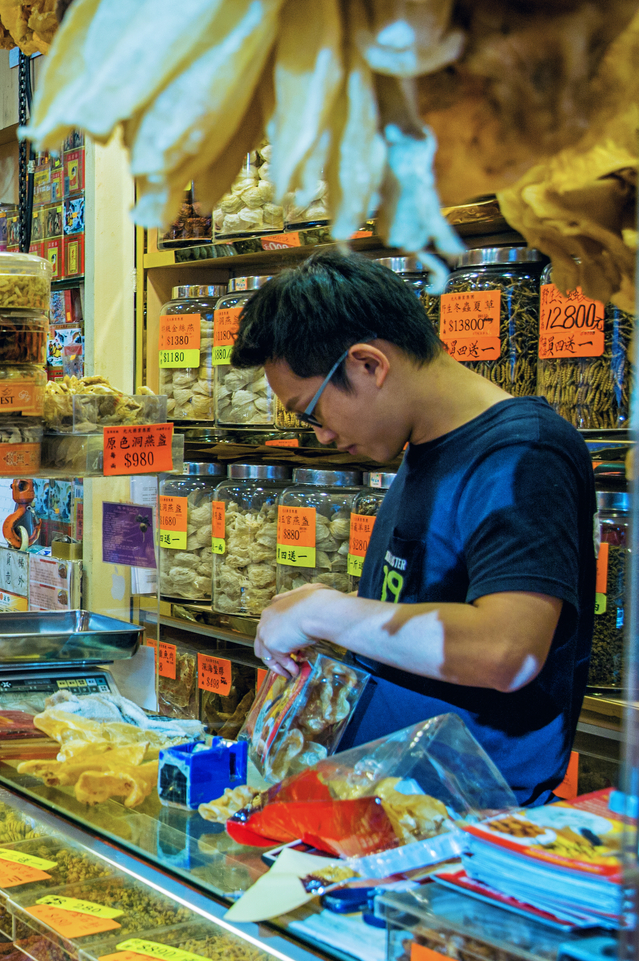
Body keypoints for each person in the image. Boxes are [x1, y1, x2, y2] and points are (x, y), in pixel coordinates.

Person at [228, 251, 593, 803]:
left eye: (311, 412)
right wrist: (332, 613)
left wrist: (326, 610)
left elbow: (507, 650)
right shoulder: (425, 448)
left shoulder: (523, 454)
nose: (320, 436)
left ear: (369, 365)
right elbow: (430, 602)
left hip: (474, 823)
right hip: (399, 799)